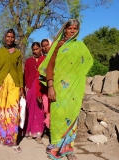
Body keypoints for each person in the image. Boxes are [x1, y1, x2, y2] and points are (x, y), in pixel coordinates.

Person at [38, 19, 93, 160]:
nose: (72, 31)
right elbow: (49, 66)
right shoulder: (58, 44)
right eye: (70, 28)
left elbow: (89, 61)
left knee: (71, 116)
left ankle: (68, 150)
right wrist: (50, 86)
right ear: (65, 29)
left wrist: (78, 74)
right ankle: (56, 147)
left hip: (74, 88)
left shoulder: (80, 46)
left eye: (75, 28)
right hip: (58, 87)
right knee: (58, 115)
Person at [0, 28, 24, 153]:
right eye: (8, 36)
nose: (10, 39)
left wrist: (21, 86)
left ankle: (13, 139)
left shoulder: (17, 53)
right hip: (0, 84)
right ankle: (1, 136)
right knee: (0, 111)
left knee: (13, 111)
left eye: (12, 37)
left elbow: (19, 71)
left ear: (14, 38)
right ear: (4, 37)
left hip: (14, 84)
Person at [24, 42, 47, 143]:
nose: (35, 51)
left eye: (37, 49)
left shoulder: (45, 60)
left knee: (39, 109)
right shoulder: (29, 61)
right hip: (30, 87)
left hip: (41, 87)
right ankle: (29, 130)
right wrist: (26, 86)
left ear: (40, 49)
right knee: (30, 109)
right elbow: (26, 74)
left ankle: (38, 133)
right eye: (33, 49)